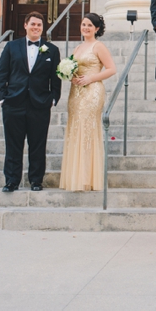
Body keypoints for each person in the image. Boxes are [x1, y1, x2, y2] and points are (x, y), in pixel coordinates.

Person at [0, 12, 61, 192]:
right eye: (33, 24)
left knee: (38, 144)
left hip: (39, 104)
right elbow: (2, 73)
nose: (36, 27)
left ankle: (36, 180)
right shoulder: (11, 46)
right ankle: (11, 181)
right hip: (13, 103)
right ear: (25, 25)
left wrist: (54, 98)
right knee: (13, 144)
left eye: (39, 25)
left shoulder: (52, 50)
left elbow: (56, 77)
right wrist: (2, 97)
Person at [59, 14, 116, 192]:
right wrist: (69, 77)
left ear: (97, 29)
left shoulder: (98, 46)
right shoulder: (78, 47)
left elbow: (112, 69)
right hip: (76, 93)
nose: (86, 28)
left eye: (90, 25)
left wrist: (90, 78)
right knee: (76, 128)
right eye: (84, 24)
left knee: (87, 129)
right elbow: (74, 68)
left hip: (92, 92)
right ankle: (75, 177)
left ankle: (87, 178)